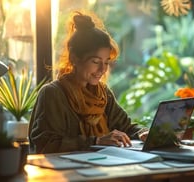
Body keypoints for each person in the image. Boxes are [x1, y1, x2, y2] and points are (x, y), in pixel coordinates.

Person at [29, 11, 147, 154]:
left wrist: (144, 133)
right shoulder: (53, 94)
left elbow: (126, 128)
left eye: (106, 62)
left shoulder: (103, 94)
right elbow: (46, 143)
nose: (102, 69)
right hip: (67, 173)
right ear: (74, 58)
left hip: (102, 166)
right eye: (95, 61)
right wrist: (96, 141)